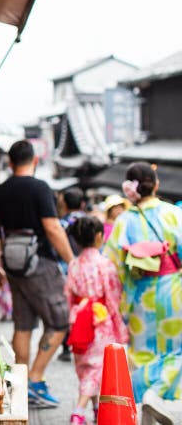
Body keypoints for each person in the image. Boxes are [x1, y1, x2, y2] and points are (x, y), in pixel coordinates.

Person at [0, 140, 75, 409]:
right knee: (61, 321)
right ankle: (34, 380)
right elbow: (53, 228)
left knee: (23, 325)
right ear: (34, 161)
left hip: (14, 268)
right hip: (41, 265)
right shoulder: (40, 188)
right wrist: (73, 262)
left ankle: (20, 384)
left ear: (11, 163)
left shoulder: (0, 191)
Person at [103, 162, 182, 421]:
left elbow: (112, 267)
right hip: (173, 293)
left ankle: (143, 403)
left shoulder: (123, 222)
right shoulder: (174, 214)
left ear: (130, 190)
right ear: (156, 185)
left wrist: (120, 303)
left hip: (139, 298)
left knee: (142, 354)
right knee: (175, 350)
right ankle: (160, 396)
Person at [64, 216, 128, 425]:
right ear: (99, 236)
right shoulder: (104, 264)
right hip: (100, 321)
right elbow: (113, 295)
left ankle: (95, 409)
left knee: (85, 367)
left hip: (79, 317)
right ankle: (78, 412)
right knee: (96, 369)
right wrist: (118, 323)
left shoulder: (73, 264)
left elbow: (69, 294)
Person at [57, 186, 87, 362]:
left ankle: (67, 346)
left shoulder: (61, 224)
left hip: (65, 269)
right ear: (82, 203)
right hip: (87, 269)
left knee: (69, 307)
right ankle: (84, 340)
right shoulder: (90, 221)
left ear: (65, 205)